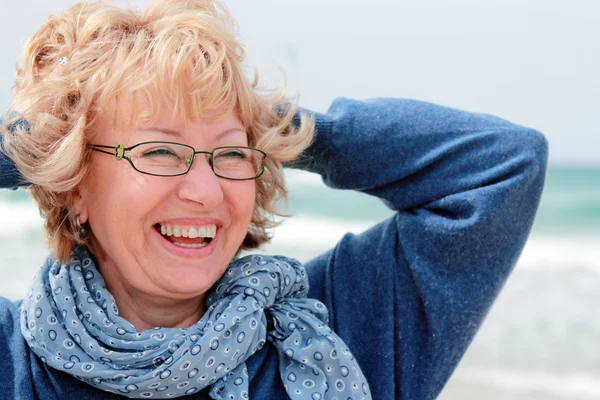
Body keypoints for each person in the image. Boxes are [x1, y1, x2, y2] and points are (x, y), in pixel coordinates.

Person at [0, 1, 548, 399]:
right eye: (162, 152)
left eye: (232, 155)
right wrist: (42, 140)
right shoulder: (13, 361)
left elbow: (503, 164)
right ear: (74, 185)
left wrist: (282, 129)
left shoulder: (340, 330)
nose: (205, 189)